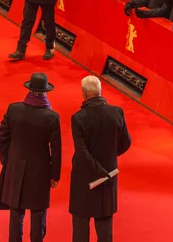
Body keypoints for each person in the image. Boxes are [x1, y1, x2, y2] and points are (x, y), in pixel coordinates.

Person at [0, 72, 62, 242]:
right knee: (38, 214)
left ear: (29, 89)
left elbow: (0, 136)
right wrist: (55, 175)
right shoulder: (52, 117)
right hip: (40, 172)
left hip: (16, 168)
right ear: (46, 92)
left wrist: (7, 159)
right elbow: (56, 151)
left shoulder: (14, 109)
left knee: (16, 213)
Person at [69, 75, 131, 242]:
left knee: (81, 225)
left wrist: (97, 170)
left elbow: (81, 151)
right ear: (100, 91)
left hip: (84, 176)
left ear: (84, 94)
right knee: (105, 226)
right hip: (108, 176)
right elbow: (126, 143)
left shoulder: (78, 118)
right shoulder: (116, 112)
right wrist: (110, 156)